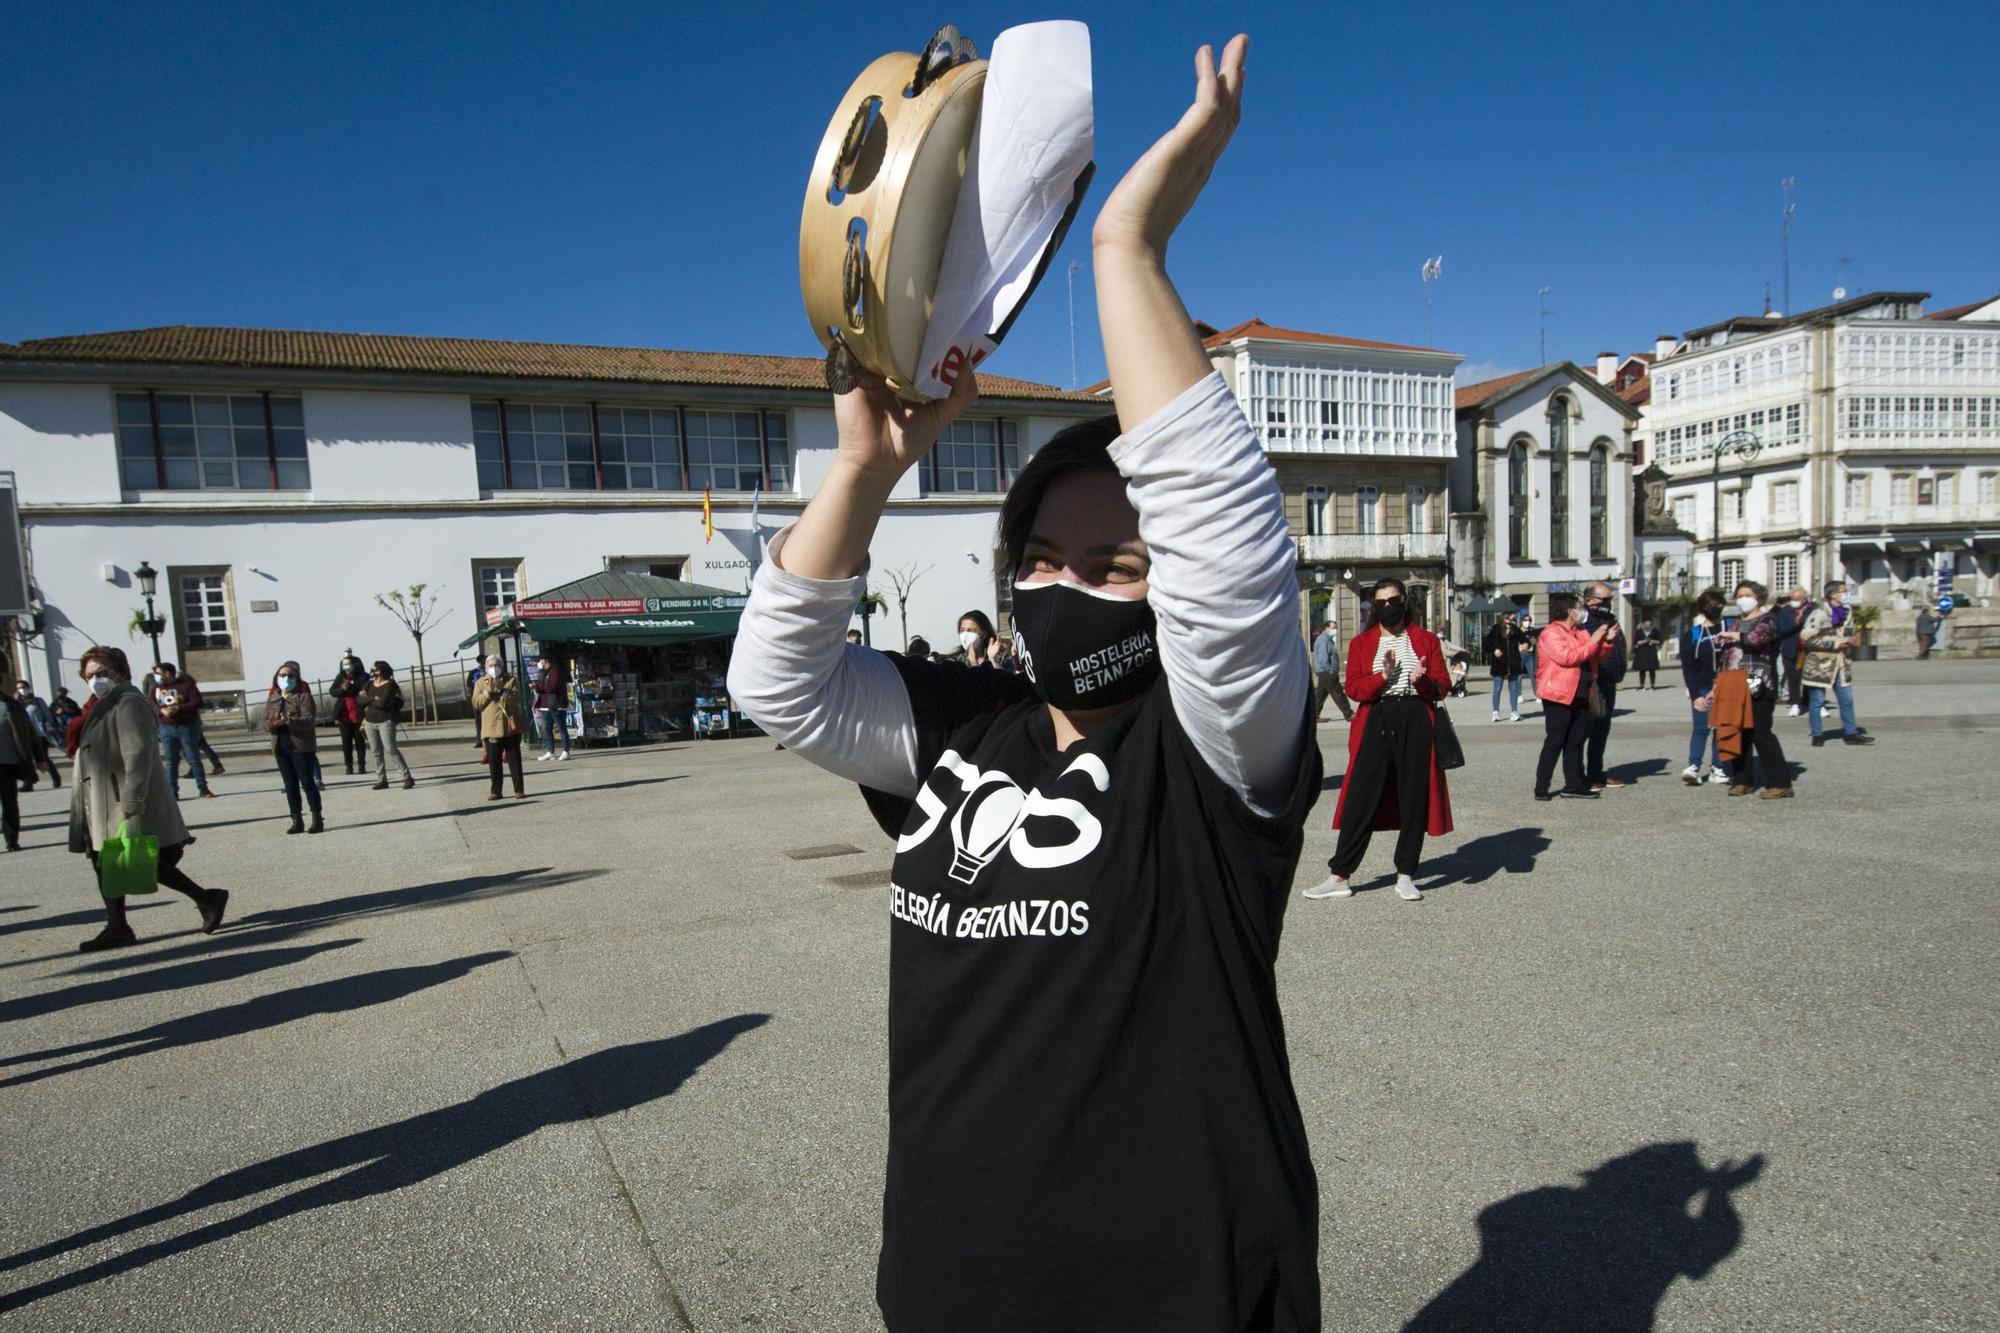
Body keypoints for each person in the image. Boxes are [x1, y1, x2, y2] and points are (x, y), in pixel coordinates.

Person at [729, 37, 1325, 1327]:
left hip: (1176, 1293)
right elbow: (779, 683)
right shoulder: (962, 731)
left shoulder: (1215, 754)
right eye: (1044, 557)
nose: (1071, 584)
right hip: (950, 1288)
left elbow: (1225, 560)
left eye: (1118, 565)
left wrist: (1125, 251)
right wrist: (865, 473)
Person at [69, 646, 228, 949]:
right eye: (90, 675)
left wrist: (132, 800)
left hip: (121, 799)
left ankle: (206, 897)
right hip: (100, 799)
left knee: (140, 860)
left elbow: (138, 753)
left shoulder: (128, 703)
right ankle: (118, 925)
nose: (96, 679)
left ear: (120, 673)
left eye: (103, 673)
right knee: (107, 861)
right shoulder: (100, 705)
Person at [1307, 578, 1452, 901]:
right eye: (1382, 602)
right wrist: (1383, 677)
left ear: (1405, 601)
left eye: (1394, 599)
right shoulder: (1362, 643)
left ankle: (1406, 874)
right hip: (1377, 718)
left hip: (1415, 718)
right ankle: (1340, 875)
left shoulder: (1425, 640)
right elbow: (1356, 690)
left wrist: (1423, 680)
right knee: (1361, 795)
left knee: (1414, 797)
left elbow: (1443, 685)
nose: (1389, 607)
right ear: (1374, 606)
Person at [1532, 592, 1617, 800]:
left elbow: (1593, 654)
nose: (1582, 612)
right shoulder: (1551, 633)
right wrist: (1594, 639)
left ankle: (1574, 784)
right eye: (1579, 607)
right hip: (1558, 694)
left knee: (1576, 740)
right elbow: (1568, 657)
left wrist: (1605, 642)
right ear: (1570, 611)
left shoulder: (1579, 631)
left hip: (1581, 692)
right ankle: (1541, 788)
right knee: (1556, 740)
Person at [1714, 581, 1795, 798]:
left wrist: (1734, 636)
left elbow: (1756, 639)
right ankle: (1742, 779)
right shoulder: (1736, 623)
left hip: (1759, 681)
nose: (1743, 599)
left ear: (1758, 597)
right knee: (1738, 732)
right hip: (1734, 682)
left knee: (1761, 732)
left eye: (1747, 594)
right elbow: (1728, 656)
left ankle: (1780, 782)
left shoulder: (1767, 619)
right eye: (1739, 595)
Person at [1799, 581, 1876, 749]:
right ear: (1834, 594)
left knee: (1847, 700)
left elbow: (1849, 633)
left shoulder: (1848, 613)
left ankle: (1851, 733)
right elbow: (1806, 637)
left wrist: (1853, 640)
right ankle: (1817, 734)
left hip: (1842, 664)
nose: (1847, 593)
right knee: (1817, 701)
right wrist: (1835, 643)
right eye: (1843, 591)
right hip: (1820, 664)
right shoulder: (1819, 613)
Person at [1678, 590, 1732, 786]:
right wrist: (1694, 696)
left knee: (1722, 728)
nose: (1715, 610)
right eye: (1710, 607)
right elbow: (1688, 668)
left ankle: (1719, 767)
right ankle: (1694, 766)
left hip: (1726, 685)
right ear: (1702, 610)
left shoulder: (1730, 628)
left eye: (1718, 606)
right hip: (1702, 686)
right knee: (1701, 728)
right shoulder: (1693, 634)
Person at [265, 660, 326, 833]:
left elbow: (308, 720)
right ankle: (296, 819)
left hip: (300, 746)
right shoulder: (273, 699)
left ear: (297, 678)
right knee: (290, 785)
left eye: (290, 676)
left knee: (307, 783)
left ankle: (316, 819)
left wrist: (288, 720)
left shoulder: (304, 696)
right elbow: (262, 723)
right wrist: (271, 723)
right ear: (276, 678)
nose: (286, 678)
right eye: (282, 675)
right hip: (281, 746)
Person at [1581, 582, 1627, 791]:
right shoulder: (1585, 622)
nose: (1608, 603)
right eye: (1604, 599)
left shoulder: (1608, 619)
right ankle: (1584, 777)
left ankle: (1596, 771)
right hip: (1593, 681)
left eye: (1610, 599)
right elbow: (1587, 649)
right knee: (1587, 730)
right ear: (1590, 601)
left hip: (1609, 681)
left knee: (1602, 730)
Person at [149, 661, 215, 801]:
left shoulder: (186, 686)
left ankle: (203, 788)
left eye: (158, 673)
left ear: (168, 673)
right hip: (166, 728)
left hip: (186, 727)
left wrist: (179, 708)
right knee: (171, 761)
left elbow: (197, 702)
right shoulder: (155, 688)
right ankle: (172, 792)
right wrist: (161, 710)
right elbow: (150, 704)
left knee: (194, 759)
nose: (156, 676)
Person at [474, 654, 525, 800]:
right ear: (485, 667)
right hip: (492, 728)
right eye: (490, 665)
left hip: (510, 727)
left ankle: (519, 789)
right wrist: (488, 693)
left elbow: (517, 698)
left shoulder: (511, 680)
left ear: (501, 666)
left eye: (496, 665)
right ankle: (496, 790)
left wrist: (504, 692)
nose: (493, 668)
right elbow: (476, 703)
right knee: (494, 762)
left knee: (514, 760)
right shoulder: (481, 682)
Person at [361, 659, 418, 788]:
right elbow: (359, 699)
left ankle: (407, 776)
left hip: (385, 721)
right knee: (376, 751)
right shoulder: (369, 684)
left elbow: (383, 703)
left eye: (375, 669)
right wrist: (372, 699)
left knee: (391, 749)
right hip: (370, 721)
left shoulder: (390, 684)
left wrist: (368, 700)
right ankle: (381, 779)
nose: (373, 671)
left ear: (381, 670)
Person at [15, 679, 65, 789]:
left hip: (39, 734)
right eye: (19, 688)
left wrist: (53, 728)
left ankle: (56, 778)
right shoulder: (16, 703)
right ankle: (28, 783)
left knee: (44, 758)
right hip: (24, 735)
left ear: (29, 688)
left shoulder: (38, 701)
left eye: (24, 687)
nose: (22, 689)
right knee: (26, 759)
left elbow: (47, 715)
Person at [329, 653, 371, 774]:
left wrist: (350, 686)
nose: (346, 667)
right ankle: (348, 765)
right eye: (344, 665)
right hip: (344, 714)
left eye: (348, 664)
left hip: (357, 712)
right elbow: (333, 691)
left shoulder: (363, 677)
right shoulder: (340, 677)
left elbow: (362, 690)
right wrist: (342, 688)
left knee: (359, 741)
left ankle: (361, 765)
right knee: (346, 743)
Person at [1483, 610, 1525, 722]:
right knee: (1497, 687)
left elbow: (1524, 640)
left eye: (1512, 620)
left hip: (1513, 663)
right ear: (1504, 619)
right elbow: (1486, 644)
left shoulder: (1515, 630)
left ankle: (1514, 711)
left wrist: (1525, 644)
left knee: (1514, 689)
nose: (1510, 622)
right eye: (1509, 619)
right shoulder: (1496, 629)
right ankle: (1495, 712)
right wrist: (1494, 650)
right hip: (1499, 663)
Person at [1776, 588, 1811, 715]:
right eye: (1792, 599)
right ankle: (1794, 702)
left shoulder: (1812, 610)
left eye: (1797, 599)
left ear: (1804, 599)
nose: (1794, 602)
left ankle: (1809, 702)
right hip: (1789, 648)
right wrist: (1797, 623)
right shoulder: (1785, 611)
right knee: (1793, 677)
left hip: (1807, 649)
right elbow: (1782, 630)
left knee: (1808, 676)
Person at [532, 653, 572, 761]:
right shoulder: (543, 673)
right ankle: (550, 751)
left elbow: (552, 687)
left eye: (541, 661)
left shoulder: (556, 671)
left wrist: (541, 687)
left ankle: (566, 751)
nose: (539, 663)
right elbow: (541, 687)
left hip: (557, 704)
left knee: (561, 728)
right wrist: (536, 687)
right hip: (546, 704)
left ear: (545, 660)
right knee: (547, 728)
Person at [1312, 619, 1354, 723]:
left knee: (1320, 694)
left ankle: (1313, 715)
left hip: (1324, 673)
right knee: (1338, 693)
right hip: (1327, 673)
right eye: (1333, 628)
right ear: (1326, 628)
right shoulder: (1324, 640)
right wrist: (1331, 671)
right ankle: (1349, 714)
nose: (1335, 630)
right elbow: (1323, 660)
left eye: (1336, 628)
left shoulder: (1327, 639)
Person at [1631, 615, 1663, 690]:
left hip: (1651, 651)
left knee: (1652, 669)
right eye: (1646, 622)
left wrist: (1652, 641)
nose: (1648, 623)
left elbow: (1659, 641)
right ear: (1644, 623)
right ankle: (1642, 685)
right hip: (1642, 651)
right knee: (1642, 669)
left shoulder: (1655, 631)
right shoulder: (1639, 631)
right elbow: (1636, 642)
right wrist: (1644, 641)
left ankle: (1652, 685)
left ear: (1651, 623)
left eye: (1649, 622)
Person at [1518, 611, 1538, 700]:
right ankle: (1519, 695)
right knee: (1519, 675)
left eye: (1529, 620)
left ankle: (1537, 694)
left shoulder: (1532, 630)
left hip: (1530, 654)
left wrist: (1529, 636)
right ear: (1521, 621)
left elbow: (1535, 642)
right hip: (1520, 654)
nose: (1527, 622)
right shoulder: (1517, 630)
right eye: (1525, 620)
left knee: (1533, 674)